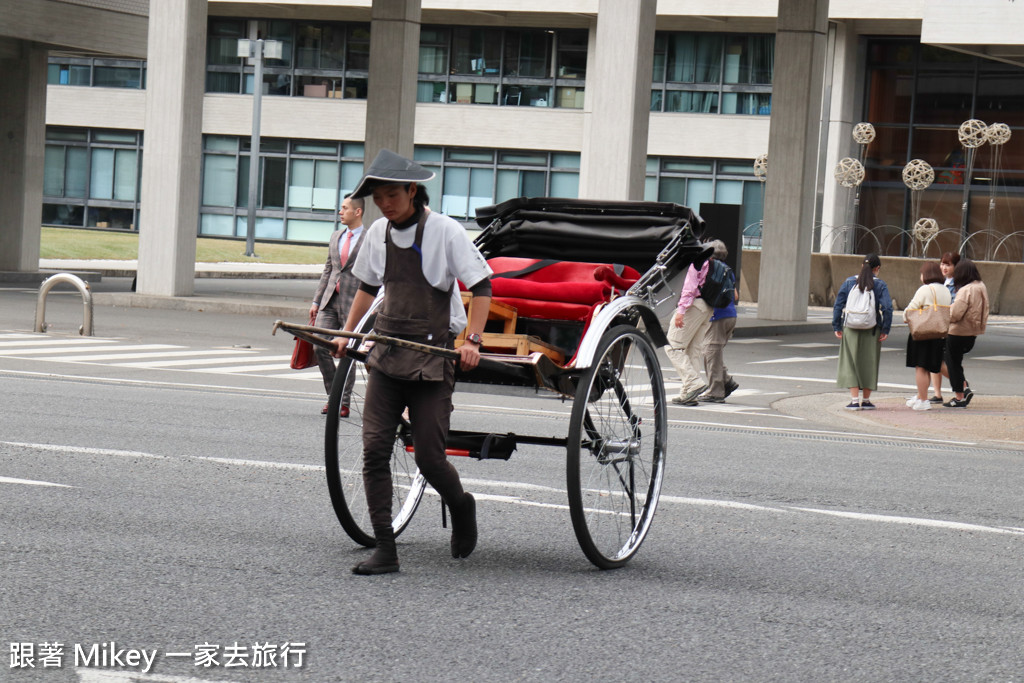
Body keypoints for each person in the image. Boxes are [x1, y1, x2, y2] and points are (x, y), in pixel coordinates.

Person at [331, 149, 493, 575]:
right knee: (374, 450)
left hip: (432, 357)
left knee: (429, 458)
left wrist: (472, 340)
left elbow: (483, 285)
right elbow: (367, 286)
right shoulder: (379, 232)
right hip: (386, 353)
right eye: (378, 198)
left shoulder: (444, 230)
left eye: (392, 196)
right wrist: (347, 334)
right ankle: (386, 547)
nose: (385, 204)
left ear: (412, 191)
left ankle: (461, 505)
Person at [310, 194, 364, 415]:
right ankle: (334, 395)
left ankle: (342, 402)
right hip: (329, 301)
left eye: (344, 208)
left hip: (354, 304)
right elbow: (329, 270)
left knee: (346, 351)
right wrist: (316, 300)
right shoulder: (336, 236)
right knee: (319, 345)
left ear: (357, 211)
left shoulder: (370, 239)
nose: (340, 212)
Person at [832, 253, 892, 410]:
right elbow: (887, 308)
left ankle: (853, 400)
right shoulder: (880, 285)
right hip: (872, 328)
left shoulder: (849, 282)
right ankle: (866, 400)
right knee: (869, 362)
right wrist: (885, 328)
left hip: (850, 327)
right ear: (877, 268)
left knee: (850, 362)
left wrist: (837, 326)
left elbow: (838, 305)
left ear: (862, 266)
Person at [903, 261, 951, 411]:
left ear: (926, 274)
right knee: (929, 366)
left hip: (922, 333)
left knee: (921, 367)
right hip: (938, 333)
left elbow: (909, 311)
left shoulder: (925, 289)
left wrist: (906, 316)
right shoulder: (946, 290)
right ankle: (921, 396)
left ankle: (923, 400)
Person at [665, 256, 712, 406]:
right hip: (707, 307)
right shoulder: (710, 262)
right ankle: (688, 394)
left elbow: (689, 287)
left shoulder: (695, 261)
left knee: (673, 346)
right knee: (693, 350)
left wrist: (681, 310)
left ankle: (693, 383)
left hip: (693, 306)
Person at [943, 258, 989, 408]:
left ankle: (959, 396)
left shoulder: (965, 290)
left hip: (958, 332)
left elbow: (955, 314)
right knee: (956, 362)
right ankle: (964, 388)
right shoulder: (981, 286)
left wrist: (945, 311)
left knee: (953, 363)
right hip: (973, 331)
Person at [698, 240, 739, 403]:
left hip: (718, 316)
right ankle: (727, 381)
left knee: (710, 351)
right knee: (713, 352)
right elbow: (735, 296)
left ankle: (716, 391)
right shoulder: (727, 270)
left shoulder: (711, 269)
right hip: (730, 315)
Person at [929, 251, 960, 403]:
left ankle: (962, 385)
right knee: (934, 359)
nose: (944, 267)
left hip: (947, 326)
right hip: (936, 324)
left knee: (939, 360)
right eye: (942, 264)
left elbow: (953, 305)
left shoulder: (957, 285)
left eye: (948, 264)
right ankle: (937, 393)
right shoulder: (939, 281)